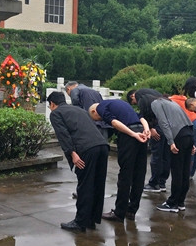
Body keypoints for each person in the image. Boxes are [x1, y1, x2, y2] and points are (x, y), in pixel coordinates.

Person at [47, 91, 109, 232]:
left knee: (85, 185)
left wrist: (72, 154)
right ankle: (91, 220)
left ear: (52, 104)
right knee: (97, 184)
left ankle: (80, 222)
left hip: (86, 150)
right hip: (102, 146)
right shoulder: (78, 109)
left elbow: (64, 135)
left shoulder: (56, 113)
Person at [88, 99, 149, 223]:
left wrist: (133, 134)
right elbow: (141, 117)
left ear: (94, 111)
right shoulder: (122, 104)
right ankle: (131, 210)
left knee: (125, 174)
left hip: (130, 136)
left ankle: (119, 213)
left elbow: (115, 123)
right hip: (141, 131)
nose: (100, 120)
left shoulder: (100, 107)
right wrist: (146, 130)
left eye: (97, 119)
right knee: (139, 173)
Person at [148, 97, 195, 212]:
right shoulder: (172, 103)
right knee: (185, 171)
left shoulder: (156, 103)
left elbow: (163, 123)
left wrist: (171, 142)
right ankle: (180, 202)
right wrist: (192, 143)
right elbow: (187, 120)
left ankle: (172, 203)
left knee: (177, 171)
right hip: (188, 134)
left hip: (178, 136)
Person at [127, 88, 170, 193]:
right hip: (167, 125)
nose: (136, 103)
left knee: (156, 156)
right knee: (166, 155)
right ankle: (162, 182)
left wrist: (150, 128)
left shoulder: (141, 97)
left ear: (132, 96)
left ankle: (154, 183)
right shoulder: (156, 95)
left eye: (134, 102)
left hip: (157, 127)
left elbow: (146, 113)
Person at [170, 92, 196, 178]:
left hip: (192, 124)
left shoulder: (172, 100)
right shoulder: (186, 100)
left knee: (190, 149)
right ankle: (191, 173)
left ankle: (187, 173)